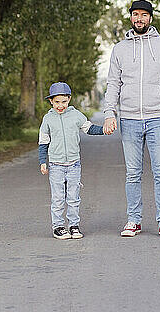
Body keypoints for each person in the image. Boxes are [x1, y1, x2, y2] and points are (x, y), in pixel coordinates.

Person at [103, 0, 160, 239]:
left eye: (144, 15)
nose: (139, 19)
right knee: (132, 173)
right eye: (135, 15)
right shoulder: (120, 49)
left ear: (150, 18)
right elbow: (113, 84)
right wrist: (110, 112)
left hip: (158, 118)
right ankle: (134, 220)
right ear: (130, 18)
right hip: (129, 119)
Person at [39, 81, 105, 240]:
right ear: (51, 101)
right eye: (57, 102)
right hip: (56, 165)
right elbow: (43, 142)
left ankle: (74, 226)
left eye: (63, 101)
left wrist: (104, 129)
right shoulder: (48, 119)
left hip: (74, 164)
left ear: (69, 99)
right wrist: (43, 161)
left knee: (74, 197)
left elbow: (89, 128)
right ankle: (58, 227)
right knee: (58, 198)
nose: (60, 105)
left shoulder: (76, 115)